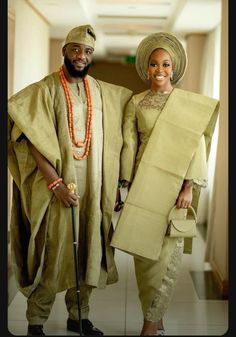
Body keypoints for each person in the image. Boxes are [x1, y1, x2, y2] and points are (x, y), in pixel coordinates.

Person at [8, 24, 132, 336]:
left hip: (94, 187)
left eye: (87, 51)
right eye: (75, 49)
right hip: (56, 188)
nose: (81, 56)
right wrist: (55, 184)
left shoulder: (102, 91)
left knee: (89, 248)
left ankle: (79, 316)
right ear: (65, 51)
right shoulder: (45, 89)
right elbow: (29, 137)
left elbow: (121, 134)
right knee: (54, 249)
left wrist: (115, 184)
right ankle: (36, 320)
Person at [111, 32, 219, 335]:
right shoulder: (135, 102)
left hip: (175, 191)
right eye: (155, 64)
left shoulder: (186, 104)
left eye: (166, 65)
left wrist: (188, 187)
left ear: (174, 69)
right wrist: (124, 184)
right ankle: (155, 318)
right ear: (147, 67)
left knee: (166, 257)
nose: (160, 70)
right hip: (144, 185)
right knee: (144, 257)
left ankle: (149, 323)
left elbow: (196, 146)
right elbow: (129, 145)